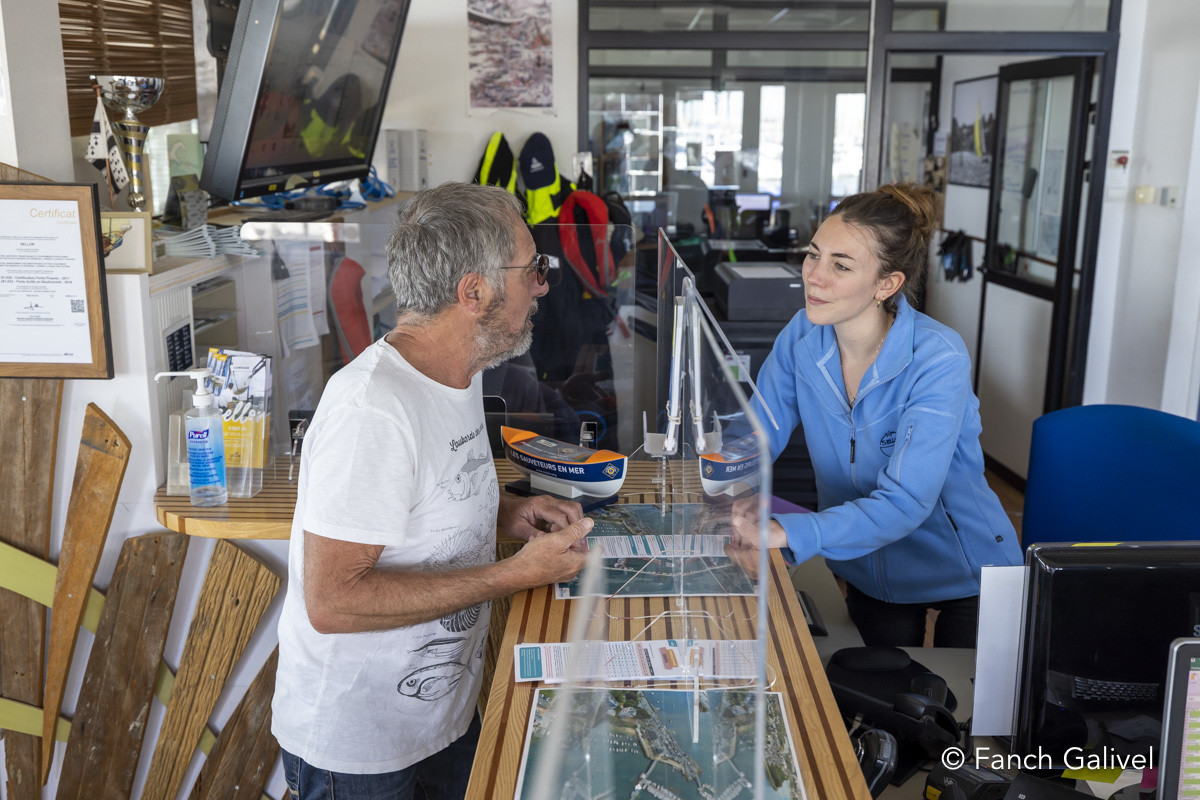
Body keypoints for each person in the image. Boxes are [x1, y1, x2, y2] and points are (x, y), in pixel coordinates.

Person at [272, 182, 594, 798]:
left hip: (438, 716)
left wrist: (512, 512)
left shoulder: (457, 372)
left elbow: (430, 492)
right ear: (473, 291)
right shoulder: (372, 409)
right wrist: (515, 574)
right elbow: (333, 602)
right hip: (361, 750)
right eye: (533, 270)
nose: (542, 286)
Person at [730, 183, 1022, 648]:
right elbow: (759, 432)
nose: (814, 276)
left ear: (887, 284)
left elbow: (906, 500)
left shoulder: (938, 357)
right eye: (813, 255)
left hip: (965, 567)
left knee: (964, 714)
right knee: (877, 708)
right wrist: (727, 476)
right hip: (868, 566)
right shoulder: (803, 334)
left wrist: (788, 530)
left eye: (840, 265)